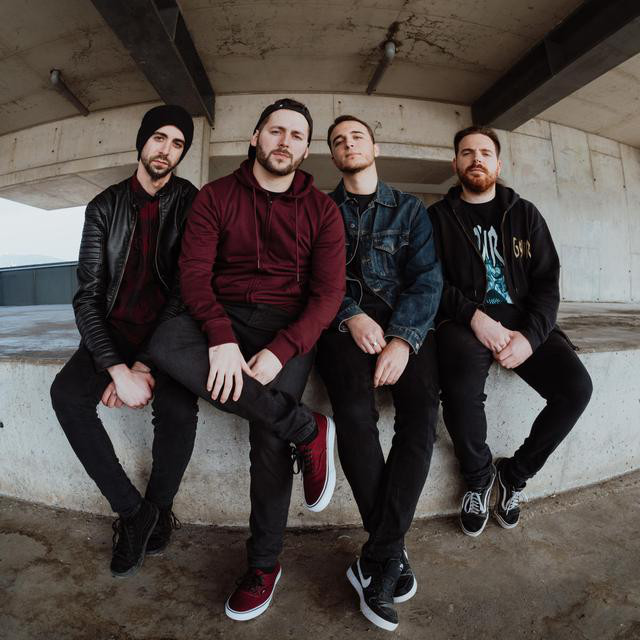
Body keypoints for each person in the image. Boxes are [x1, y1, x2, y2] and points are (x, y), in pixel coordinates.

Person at [147, 98, 345, 621]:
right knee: (163, 343)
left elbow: (328, 295)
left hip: (287, 326)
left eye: (297, 135)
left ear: (306, 149)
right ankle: (306, 427)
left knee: (268, 438)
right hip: (223, 314)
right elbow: (194, 275)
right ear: (256, 137)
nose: (285, 141)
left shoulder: (322, 210)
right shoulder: (215, 197)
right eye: (275, 130)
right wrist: (219, 338)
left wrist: (282, 350)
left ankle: (263, 566)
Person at [50, 105, 200, 577]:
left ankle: (159, 507)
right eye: (159, 138)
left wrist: (145, 365)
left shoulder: (191, 202)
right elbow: (88, 296)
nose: (166, 150)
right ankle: (134, 514)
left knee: (179, 410)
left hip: (170, 334)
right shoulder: (104, 206)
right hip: (114, 330)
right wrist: (115, 367)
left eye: (178, 143)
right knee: (66, 395)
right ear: (142, 141)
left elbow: (186, 291)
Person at [429, 125, 593, 538]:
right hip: (465, 322)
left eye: (485, 153)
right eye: (467, 153)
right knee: (460, 387)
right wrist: (475, 318)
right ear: (455, 163)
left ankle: (514, 475)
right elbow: (431, 282)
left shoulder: (525, 214)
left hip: (523, 321)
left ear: (498, 165)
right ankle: (478, 478)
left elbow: (547, 283)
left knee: (576, 389)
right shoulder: (437, 218)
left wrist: (531, 337)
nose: (476, 159)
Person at [316, 115, 442, 632]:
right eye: (339, 141)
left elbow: (427, 280)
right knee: (353, 414)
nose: (349, 145)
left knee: (422, 415)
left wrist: (402, 339)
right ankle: (389, 554)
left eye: (357, 137)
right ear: (334, 156)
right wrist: (352, 315)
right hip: (341, 328)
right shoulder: (321, 210)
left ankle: (379, 554)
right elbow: (315, 277)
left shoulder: (411, 209)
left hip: (402, 325)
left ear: (375, 147)